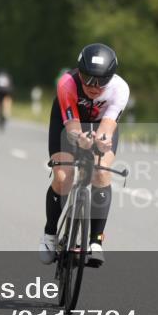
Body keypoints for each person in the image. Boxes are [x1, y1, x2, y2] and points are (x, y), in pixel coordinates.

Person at [39, 43, 129, 268]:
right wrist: (80, 139)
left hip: (100, 124)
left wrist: (101, 140)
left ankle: (96, 240)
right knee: (63, 177)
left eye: (101, 81)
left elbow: (108, 126)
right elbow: (72, 128)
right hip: (67, 123)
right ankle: (50, 235)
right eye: (88, 78)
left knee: (101, 174)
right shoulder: (67, 83)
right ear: (79, 72)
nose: (94, 86)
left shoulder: (120, 89)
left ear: (111, 77)